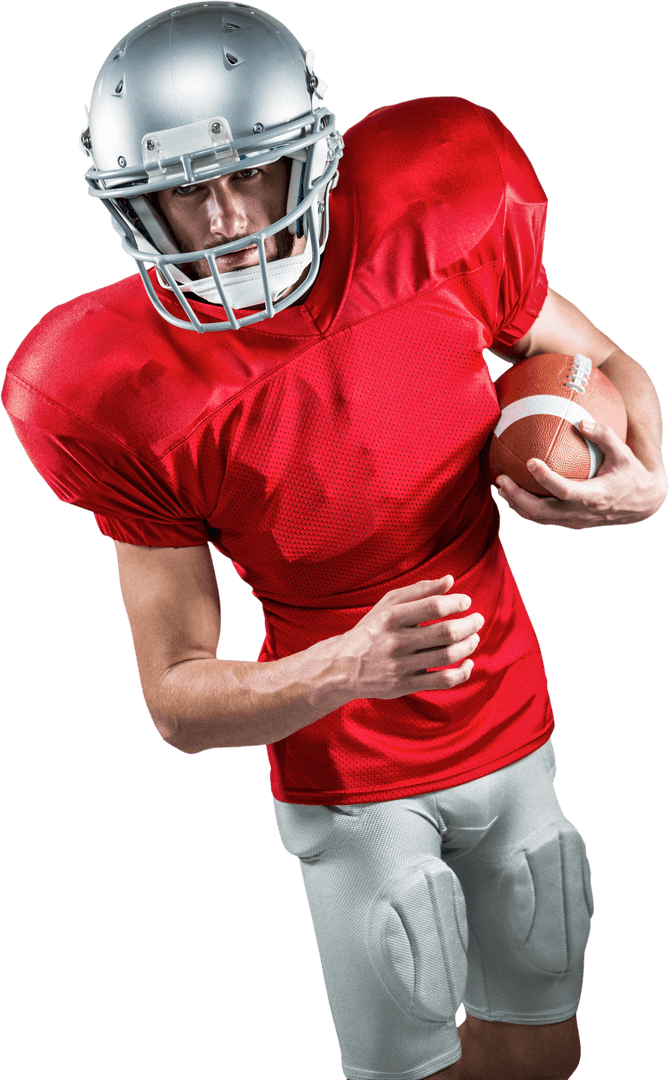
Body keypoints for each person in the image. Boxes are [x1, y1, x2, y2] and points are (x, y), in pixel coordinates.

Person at [2, 4, 665, 1079]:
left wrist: (651, 476)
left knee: (544, 1052)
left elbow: (609, 367)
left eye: (251, 171)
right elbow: (174, 698)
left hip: (511, 709)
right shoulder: (111, 388)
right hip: (349, 770)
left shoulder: (439, 224)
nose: (225, 219)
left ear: (311, 152)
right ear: (134, 204)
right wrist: (347, 665)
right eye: (185, 191)